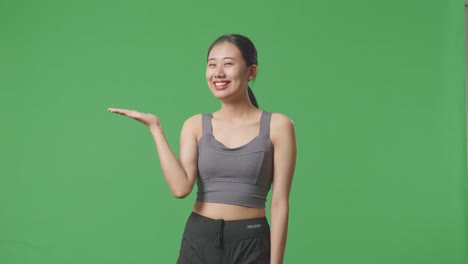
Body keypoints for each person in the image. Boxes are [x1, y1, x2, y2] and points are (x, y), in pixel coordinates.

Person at [108, 34, 296, 264]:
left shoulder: (278, 126)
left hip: (251, 240)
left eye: (228, 64)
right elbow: (180, 188)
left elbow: (279, 203)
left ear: (251, 71)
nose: (218, 72)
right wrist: (155, 127)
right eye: (212, 64)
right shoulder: (195, 125)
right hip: (199, 239)